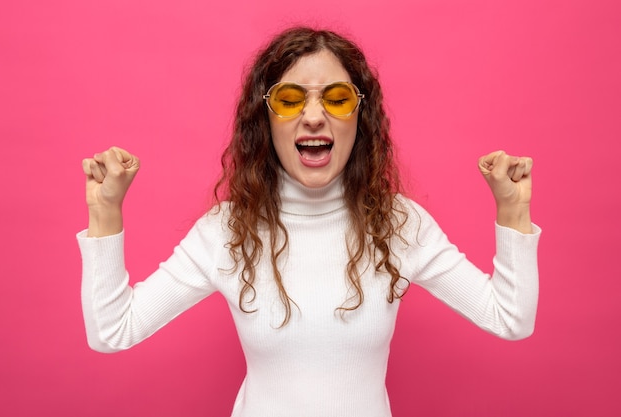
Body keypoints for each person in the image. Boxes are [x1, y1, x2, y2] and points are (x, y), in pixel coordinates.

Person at [78, 27, 540, 417]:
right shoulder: (226, 230)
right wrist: (106, 211)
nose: (314, 116)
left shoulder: (399, 224)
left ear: (360, 116)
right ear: (266, 116)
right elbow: (113, 329)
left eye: (337, 99)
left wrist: (512, 210)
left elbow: (510, 318)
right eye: (291, 98)